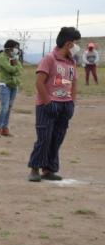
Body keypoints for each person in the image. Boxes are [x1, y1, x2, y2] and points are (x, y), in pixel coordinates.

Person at [27, 27, 81, 183]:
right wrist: (47, 101)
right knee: (44, 137)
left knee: (57, 138)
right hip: (48, 104)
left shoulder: (72, 62)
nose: (78, 47)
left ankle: (49, 169)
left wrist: (72, 102)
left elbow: (73, 82)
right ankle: (34, 168)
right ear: (68, 43)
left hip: (65, 105)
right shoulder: (49, 59)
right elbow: (39, 82)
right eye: (76, 43)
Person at [0, 40, 22, 138]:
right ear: (9, 47)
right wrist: (15, 68)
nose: (16, 49)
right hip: (4, 85)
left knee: (9, 108)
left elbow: (20, 69)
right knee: (4, 107)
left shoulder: (14, 57)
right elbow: (9, 69)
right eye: (15, 47)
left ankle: (5, 128)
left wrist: (15, 67)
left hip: (14, 85)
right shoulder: (2, 57)